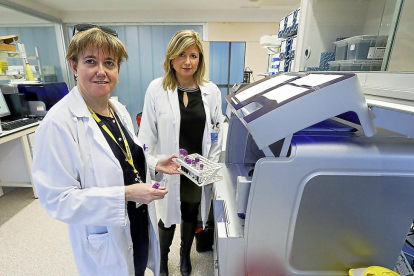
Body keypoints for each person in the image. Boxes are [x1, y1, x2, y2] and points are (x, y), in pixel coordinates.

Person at [32, 25, 180, 276]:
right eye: (91, 61)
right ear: (74, 66)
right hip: (106, 236)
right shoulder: (59, 123)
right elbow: (58, 200)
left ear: (118, 70)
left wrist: (154, 165)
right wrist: (124, 194)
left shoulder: (117, 109)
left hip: (137, 221)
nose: (101, 71)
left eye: (109, 63)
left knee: (139, 267)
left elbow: (123, 157)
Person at [138, 30, 223, 276]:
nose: (188, 62)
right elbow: (146, 136)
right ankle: (163, 260)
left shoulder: (211, 91)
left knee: (190, 213)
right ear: (171, 58)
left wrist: (211, 164)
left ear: (200, 59)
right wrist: (152, 163)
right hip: (169, 168)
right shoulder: (156, 89)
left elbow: (216, 133)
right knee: (166, 217)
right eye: (182, 55)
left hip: (196, 168)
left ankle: (185, 256)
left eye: (193, 55)